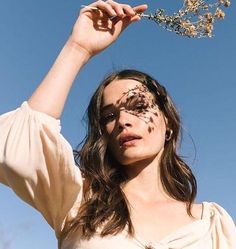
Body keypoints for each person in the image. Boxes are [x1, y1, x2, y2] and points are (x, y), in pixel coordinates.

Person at [0, 1, 235, 248]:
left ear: (168, 124)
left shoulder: (213, 224)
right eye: (109, 116)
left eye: (138, 106)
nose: (123, 120)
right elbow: (14, 148)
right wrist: (78, 48)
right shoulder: (78, 199)